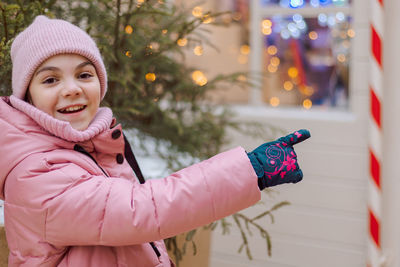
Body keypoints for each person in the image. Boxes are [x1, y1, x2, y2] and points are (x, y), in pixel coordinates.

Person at [0, 15, 310, 267]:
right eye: (51, 79)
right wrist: (250, 169)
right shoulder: (36, 172)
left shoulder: (84, 145)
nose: (72, 89)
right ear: (27, 96)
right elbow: (140, 210)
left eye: (84, 75)